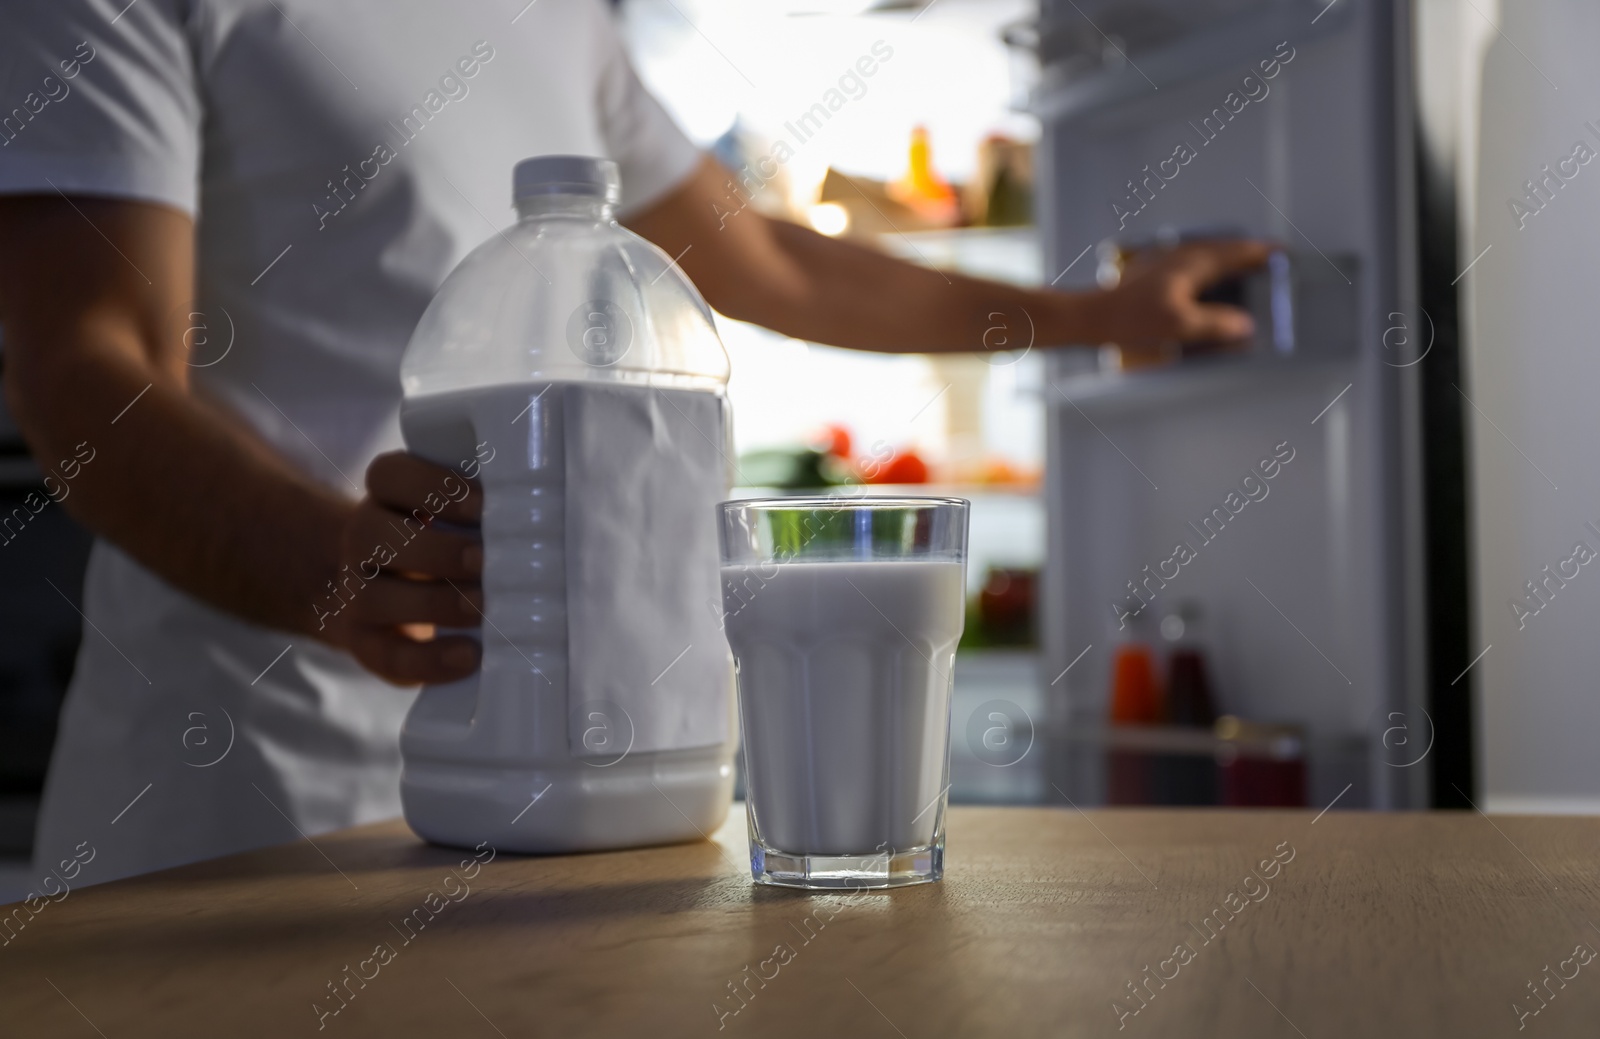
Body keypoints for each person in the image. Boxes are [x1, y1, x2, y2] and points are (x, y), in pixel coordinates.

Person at [0, 0, 1267, 887]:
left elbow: (765, 260)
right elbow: (84, 372)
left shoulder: (560, 17)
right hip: (243, 782)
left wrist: (1095, 317)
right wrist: (335, 563)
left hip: (564, 796)